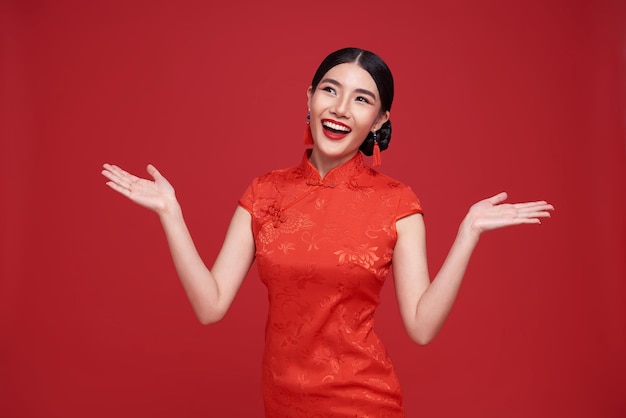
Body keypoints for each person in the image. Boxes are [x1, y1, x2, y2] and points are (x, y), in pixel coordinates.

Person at [101, 47, 553, 417]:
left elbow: (421, 326)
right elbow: (210, 305)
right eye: (330, 90)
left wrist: (468, 232)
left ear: (379, 120)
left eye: (361, 98)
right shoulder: (265, 192)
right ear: (310, 98)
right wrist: (170, 213)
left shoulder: (397, 202)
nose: (339, 108)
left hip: (362, 403)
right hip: (281, 403)